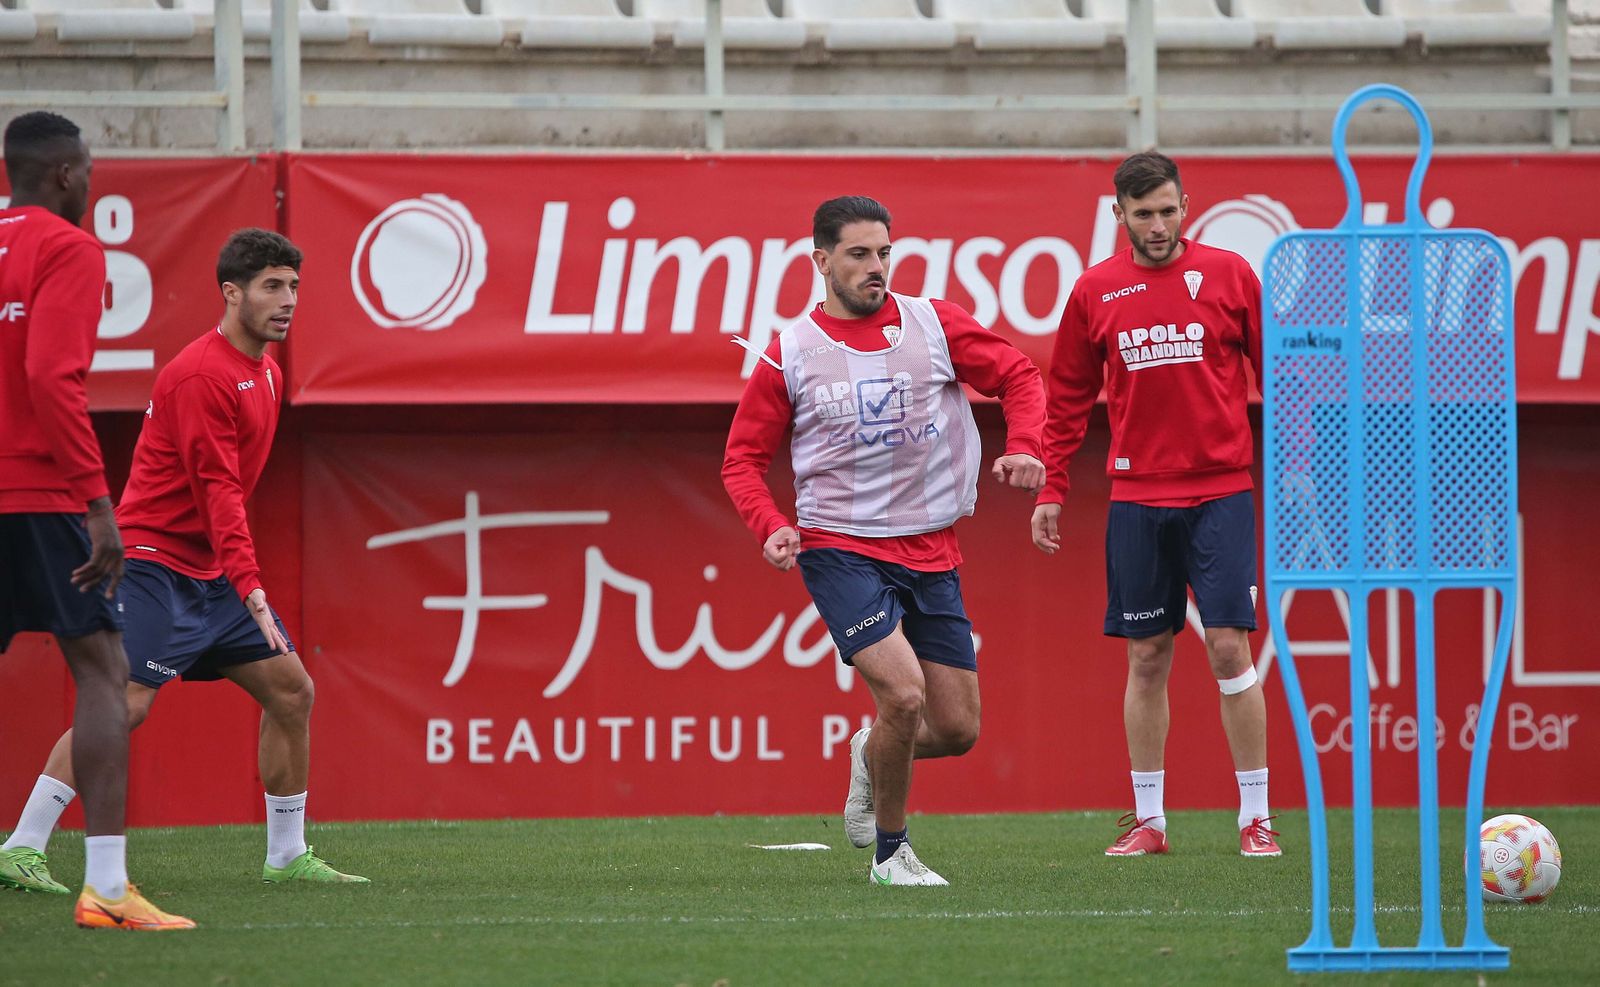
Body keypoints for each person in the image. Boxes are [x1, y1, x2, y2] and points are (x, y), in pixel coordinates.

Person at [0, 227, 368, 890]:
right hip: (151, 565)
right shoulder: (201, 375)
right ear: (232, 293)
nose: (287, 300)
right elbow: (218, 490)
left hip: (208, 575)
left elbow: (228, 497)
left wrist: (235, 579)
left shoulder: (268, 372)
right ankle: (21, 845)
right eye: (271, 287)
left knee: (291, 690)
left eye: (293, 287)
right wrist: (251, 585)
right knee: (123, 702)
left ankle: (286, 855)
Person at [723, 195, 1045, 886]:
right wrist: (772, 525)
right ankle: (891, 854)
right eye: (859, 254)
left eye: (884, 253)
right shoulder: (791, 351)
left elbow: (1019, 375)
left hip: (931, 546)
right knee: (903, 696)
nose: (876, 268)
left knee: (957, 728)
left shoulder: (933, 323)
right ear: (821, 260)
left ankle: (869, 753)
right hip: (840, 548)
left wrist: (1025, 446)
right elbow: (741, 462)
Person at [1031, 151, 1280, 858]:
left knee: (1230, 645)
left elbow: (1281, 373)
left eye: (1169, 209)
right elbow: (1069, 399)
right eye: (1144, 213)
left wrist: (1301, 466)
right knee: (1146, 655)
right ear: (1120, 216)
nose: (1160, 224)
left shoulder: (1231, 274)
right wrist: (1053, 485)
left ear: (1185, 204)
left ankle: (1255, 817)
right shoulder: (1095, 291)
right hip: (1137, 497)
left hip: (1222, 489)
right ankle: (1150, 820)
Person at [0, 111, 195, 929]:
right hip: (37, 494)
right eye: (89, 167)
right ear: (66, 175)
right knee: (104, 672)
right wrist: (95, 500)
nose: (93, 179)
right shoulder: (69, 247)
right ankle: (108, 889)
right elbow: (49, 374)